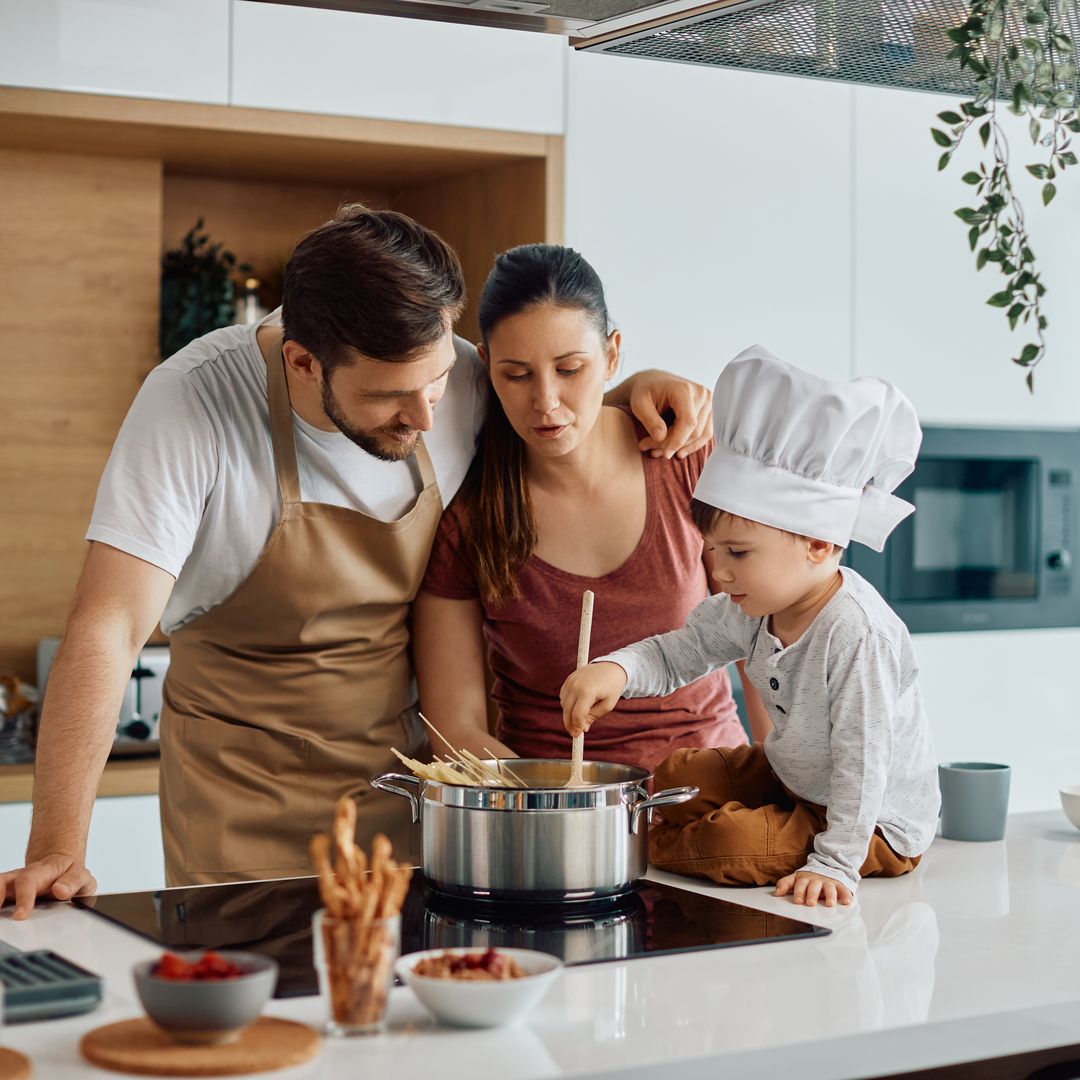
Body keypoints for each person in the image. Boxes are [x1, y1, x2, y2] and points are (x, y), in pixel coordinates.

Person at [0, 206, 714, 916]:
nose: (428, 417)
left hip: (401, 793)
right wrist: (58, 849)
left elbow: (556, 410)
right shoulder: (194, 404)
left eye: (436, 383)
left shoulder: (456, 378)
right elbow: (108, 626)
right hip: (239, 806)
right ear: (303, 362)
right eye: (389, 398)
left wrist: (638, 388)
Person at [560, 346, 940, 907]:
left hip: (871, 822)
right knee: (673, 775)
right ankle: (681, 827)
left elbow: (865, 762)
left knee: (726, 844)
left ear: (818, 543)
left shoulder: (857, 634)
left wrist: (835, 864)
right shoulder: (752, 606)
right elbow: (680, 651)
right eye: (712, 550)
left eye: (737, 551)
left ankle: (648, 844)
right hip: (797, 780)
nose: (717, 570)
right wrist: (616, 670)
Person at [414, 244, 766, 774]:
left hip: (714, 790)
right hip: (553, 807)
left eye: (570, 368)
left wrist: (791, 789)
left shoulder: (691, 464)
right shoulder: (469, 519)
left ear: (612, 355)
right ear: (486, 367)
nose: (546, 400)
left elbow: (766, 651)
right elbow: (455, 728)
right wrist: (549, 809)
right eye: (517, 375)